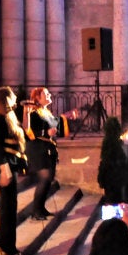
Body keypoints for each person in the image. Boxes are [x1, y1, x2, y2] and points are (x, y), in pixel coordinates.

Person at [25, 86, 76, 220]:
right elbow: (29, 131)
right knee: (45, 178)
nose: (49, 95)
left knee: (49, 179)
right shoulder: (33, 113)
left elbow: (55, 123)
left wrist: (66, 116)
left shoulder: (45, 112)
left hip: (48, 149)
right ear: (37, 98)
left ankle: (41, 208)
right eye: (46, 94)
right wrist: (46, 132)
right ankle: (36, 211)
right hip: (37, 149)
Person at [0, 86, 28, 255]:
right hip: (3, 165)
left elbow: (23, 135)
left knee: (10, 205)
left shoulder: (9, 117)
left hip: (10, 164)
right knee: (8, 206)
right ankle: (7, 245)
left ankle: (5, 242)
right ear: (6, 99)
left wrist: (26, 112)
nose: (15, 98)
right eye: (12, 96)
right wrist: (4, 171)